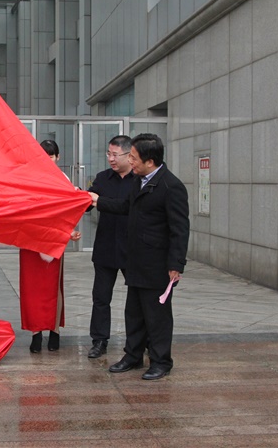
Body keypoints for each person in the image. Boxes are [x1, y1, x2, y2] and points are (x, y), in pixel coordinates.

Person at [89, 133, 189, 380]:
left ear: (150, 161)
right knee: (133, 313)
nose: (130, 162)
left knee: (157, 316)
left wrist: (176, 264)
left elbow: (180, 229)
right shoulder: (139, 180)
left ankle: (161, 361)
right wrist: (98, 201)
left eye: (133, 158)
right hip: (135, 259)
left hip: (156, 263)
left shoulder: (171, 186)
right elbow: (125, 207)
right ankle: (132, 356)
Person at [19, 140, 81, 353]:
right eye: (43, 155)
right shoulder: (26, 178)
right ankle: (35, 333)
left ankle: (54, 330)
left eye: (51, 156)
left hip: (53, 239)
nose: (47, 160)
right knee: (31, 288)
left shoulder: (63, 180)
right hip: (30, 238)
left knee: (53, 286)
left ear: (58, 157)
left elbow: (68, 209)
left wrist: (69, 231)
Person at [86, 135, 134, 359]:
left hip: (132, 249)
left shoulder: (139, 180)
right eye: (108, 154)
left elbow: (128, 207)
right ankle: (99, 340)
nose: (111, 159)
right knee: (101, 297)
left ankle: (138, 341)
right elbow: (87, 204)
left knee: (137, 299)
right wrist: (78, 196)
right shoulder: (103, 178)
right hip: (105, 247)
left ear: (129, 155)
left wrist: (99, 201)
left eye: (115, 155)